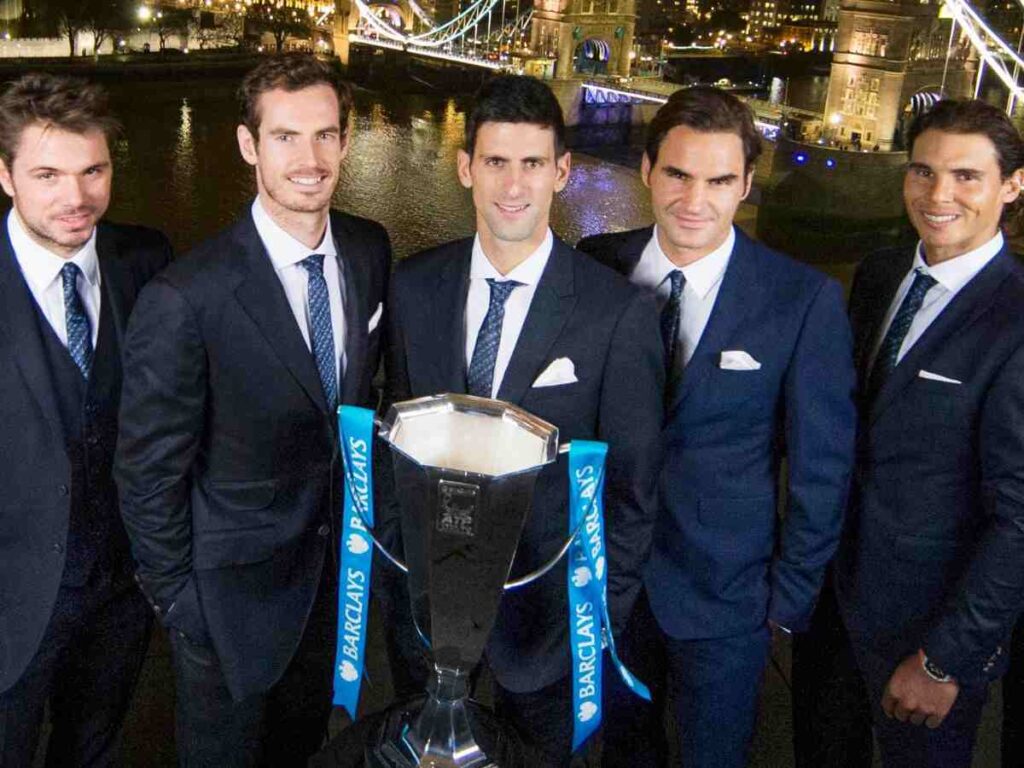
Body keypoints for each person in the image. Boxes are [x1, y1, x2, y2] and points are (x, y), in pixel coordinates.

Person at [115, 54, 392, 765]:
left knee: (301, 749)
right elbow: (147, 473)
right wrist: (183, 608)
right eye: (286, 137)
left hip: (333, 584)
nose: (311, 158)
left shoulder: (369, 250)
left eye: (327, 135)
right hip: (227, 606)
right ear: (248, 145)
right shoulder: (186, 297)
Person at [382, 75, 663, 766]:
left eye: (532, 163)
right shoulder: (413, 286)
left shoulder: (616, 314)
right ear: (465, 167)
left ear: (561, 172)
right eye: (496, 162)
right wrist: (398, 581)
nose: (514, 185)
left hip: (545, 628)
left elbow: (631, 491)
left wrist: (594, 622)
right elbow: (393, 445)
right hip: (426, 615)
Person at [577, 86, 857, 768]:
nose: (694, 200)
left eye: (719, 180)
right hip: (609, 582)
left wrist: (785, 601)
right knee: (621, 754)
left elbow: (824, 466)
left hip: (729, 599)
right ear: (646, 170)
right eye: (677, 174)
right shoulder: (593, 263)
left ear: (746, 187)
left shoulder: (801, 298)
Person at [833, 98, 1024, 768]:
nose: (938, 194)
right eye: (922, 171)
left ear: (1012, 185)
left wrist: (946, 661)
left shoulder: (1017, 321)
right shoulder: (881, 274)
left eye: (966, 176)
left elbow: (1021, 519)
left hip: (925, 630)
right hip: (832, 599)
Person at [0, 73, 171, 766]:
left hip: (120, 600)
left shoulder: (147, 261)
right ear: (6, 176)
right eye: (47, 174)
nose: (76, 197)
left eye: (93, 170)